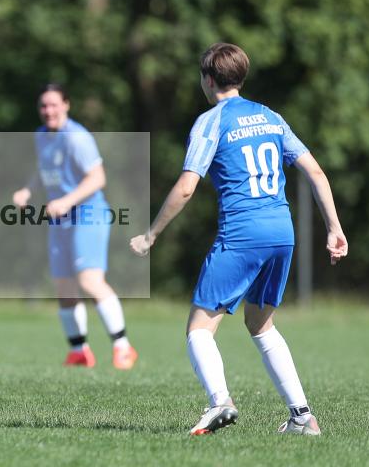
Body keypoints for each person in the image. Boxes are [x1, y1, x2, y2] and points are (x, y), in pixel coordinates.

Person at [130, 43, 348, 435]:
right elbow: (316, 172)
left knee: (199, 328)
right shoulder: (270, 117)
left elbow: (185, 188)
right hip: (282, 231)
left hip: (243, 232)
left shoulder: (211, 121)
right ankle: (303, 417)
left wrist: (151, 234)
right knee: (261, 324)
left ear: (208, 80)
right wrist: (334, 226)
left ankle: (220, 403)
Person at [13, 84, 138, 369]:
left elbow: (97, 178)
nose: (48, 111)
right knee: (64, 286)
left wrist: (67, 201)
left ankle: (123, 347)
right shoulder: (41, 136)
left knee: (89, 281)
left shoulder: (77, 138)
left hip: (88, 214)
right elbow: (43, 170)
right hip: (61, 218)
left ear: (66, 105)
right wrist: (28, 190)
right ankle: (79, 351)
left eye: (54, 105)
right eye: (44, 106)